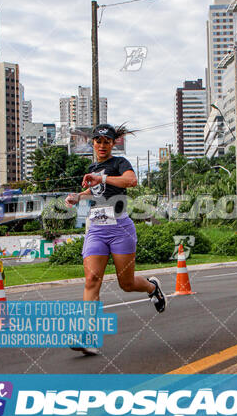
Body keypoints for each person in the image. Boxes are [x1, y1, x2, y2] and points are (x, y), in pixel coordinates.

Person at [65, 123, 166, 355]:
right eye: (98, 141)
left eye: (107, 141)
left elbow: (130, 181)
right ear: (93, 143)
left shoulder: (120, 164)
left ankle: (153, 288)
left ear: (113, 143)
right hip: (97, 228)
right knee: (91, 279)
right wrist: (78, 196)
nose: (102, 145)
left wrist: (102, 179)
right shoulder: (93, 167)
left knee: (126, 283)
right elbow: (96, 193)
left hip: (121, 227)